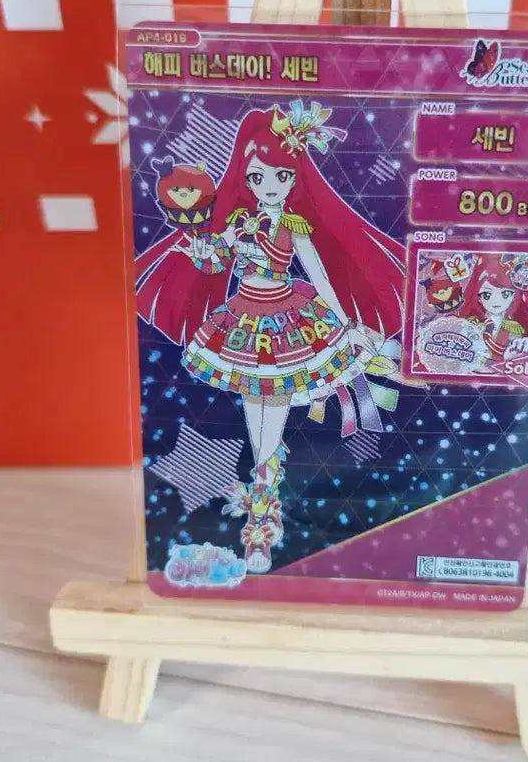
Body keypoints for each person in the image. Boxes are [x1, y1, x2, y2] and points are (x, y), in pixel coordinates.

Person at [135, 101, 406, 572]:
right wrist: (199, 246)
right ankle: (262, 502)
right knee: (256, 412)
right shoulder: (239, 221)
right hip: (242, 321)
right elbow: (216, 262)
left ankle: (262, 513)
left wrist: (346, 321)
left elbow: (319, 274)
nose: (269, 185)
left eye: (281, 176)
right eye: (257, 176)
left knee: (269, 418)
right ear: (246, 178)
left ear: (295, 178)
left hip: (287, 320)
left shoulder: (293, 224)